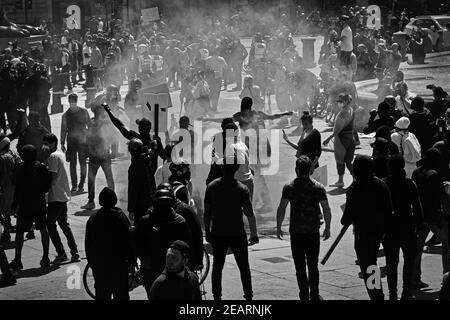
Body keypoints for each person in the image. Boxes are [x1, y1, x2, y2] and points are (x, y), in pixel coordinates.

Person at [276, 156, 331, 300]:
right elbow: (326, 208)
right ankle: (314, 294)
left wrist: (278, 226)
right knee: (313, 266)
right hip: (313, 232)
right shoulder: (318, 187)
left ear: (297, 170)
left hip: (297, 233)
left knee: (299, 267)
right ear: (310, 170)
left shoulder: (289, 187)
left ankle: (304, 294)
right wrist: (328, 227)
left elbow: (282, 208)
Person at [204, 155, 257, 301]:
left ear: (222, 167)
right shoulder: (242, 189)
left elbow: (207, 212)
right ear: (237, 168)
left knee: (217, 267)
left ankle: (217, 297)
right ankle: (248, 296)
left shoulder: (212, 187)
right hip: (237, 232)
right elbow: (248, 212)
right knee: (244, 267)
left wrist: (207, 232)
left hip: (218, 233)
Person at [341, 155, 392, 300]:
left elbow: (346, 218)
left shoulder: (354, 189)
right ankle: (377, 295)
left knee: (369, 266)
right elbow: (389, 210)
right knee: (372, 264)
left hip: (363, 235)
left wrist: (345, 219)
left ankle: (376, 295)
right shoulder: (381, 185)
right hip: (379, 232)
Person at [134, 188, 192, 299]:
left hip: (167, 269)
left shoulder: (179, 222)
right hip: (154, 269)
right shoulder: (147, 222)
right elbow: (137, 243)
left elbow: (187, 246)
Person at [383, 155, 423, 300]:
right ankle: (406, 292)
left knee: (391, 263)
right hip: (407, 227)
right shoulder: (409, 183)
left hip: (390, 228)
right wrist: (419, 225)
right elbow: (417, 207)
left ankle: (392, 293)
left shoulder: (385, 184)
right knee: (409, 262)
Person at [85, 187, 135, 300]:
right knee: (121, 295)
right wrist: (132, 262)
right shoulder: (121, 218)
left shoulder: (93, 219)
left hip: (100, 268)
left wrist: (92, 264)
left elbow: (88, 245)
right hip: (119, 266)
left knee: (102, 295)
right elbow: (129, 242)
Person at [9, 145, 51, 270]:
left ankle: (18, 259)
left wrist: (15, 204)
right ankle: (45, 257)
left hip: (25, 204)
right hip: (38, 203)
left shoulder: (20, 168)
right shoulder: (41, 168)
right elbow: (47, 186)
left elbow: (17, 188)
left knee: (20, 232)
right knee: (43, 229)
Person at [412, 148, 449, 289]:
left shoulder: (417, 172)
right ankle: (447, 277)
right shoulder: (433, 174)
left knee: (418, 248)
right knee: (447, 243)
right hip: (432, 217)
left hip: (419, 216)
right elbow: (435, 199)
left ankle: (415, 278)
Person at [42, 133, 80, 264]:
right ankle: (74, 252)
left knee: (50, 225)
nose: (44, 147)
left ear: (52, 143)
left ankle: (61, 252)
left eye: (46, 144)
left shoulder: (52, 157)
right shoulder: (60, 154)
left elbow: (52, 177)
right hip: (62, 195)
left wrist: (45, 191)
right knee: (64, 225)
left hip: (55, 197)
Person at [82, 105, 116, 210]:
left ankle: (91, 201)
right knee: (109, 178)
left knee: (92, 179)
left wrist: (87, 153)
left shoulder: (92, 124)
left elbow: (87, 140)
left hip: (95, 156)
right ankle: (112, 200)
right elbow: (113, 137)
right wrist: (113, 151)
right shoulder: (107, 124)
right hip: (104, 155)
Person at [323, 93, 356, 188]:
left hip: (342, 139)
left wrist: (329, 138)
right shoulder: (351, 110)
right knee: (349, 161)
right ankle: (355, 180)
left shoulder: (344, 112)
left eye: (341, 101)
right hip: (350, 138)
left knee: (340, 161)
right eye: (338, 101)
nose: (339, 103)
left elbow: (339, 128)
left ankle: (340, 181)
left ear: (346, 102)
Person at [60, 93, 91, 192]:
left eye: (74, 102)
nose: (72, 104)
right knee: (72, 164)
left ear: (76, 102)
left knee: (83, 163)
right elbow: (63, 129)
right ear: (69, 102)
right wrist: (62, 142)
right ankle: (74, 185)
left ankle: (81, 184)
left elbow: (89, 125)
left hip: (82, 141)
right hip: (71, 141)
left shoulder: (84, 112)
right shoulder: (65, 115)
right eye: (71, 102)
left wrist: (91, 140)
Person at [127, 138, 156, 226]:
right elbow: (152, 182)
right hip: (149, 201)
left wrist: (131, 209)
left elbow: (133, 189)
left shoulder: (134, 166)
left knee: (139, 228)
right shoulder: (147, 161)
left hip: (139, 205)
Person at [205, 48, 228, 112]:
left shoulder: (207, 59)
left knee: (210, 92)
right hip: (218, 78)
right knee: (217, 93)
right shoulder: (221, 59)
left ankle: (207, 107)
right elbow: (226, 67)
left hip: (210, 78)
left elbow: (205, 68)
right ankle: (214, 108)